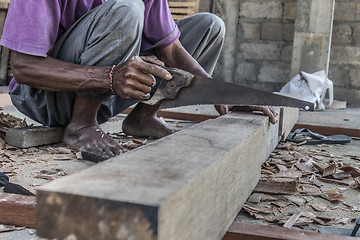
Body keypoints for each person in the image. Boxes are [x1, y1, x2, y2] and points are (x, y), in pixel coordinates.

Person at [1, 0, 277, 157]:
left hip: (109, 94)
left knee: (209, 26)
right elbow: (24, 68)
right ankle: (81, 125)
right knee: (126, 9)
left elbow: (171, 50)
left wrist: (224, 94)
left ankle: (143, 118)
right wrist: (109, 77)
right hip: (45, 99)